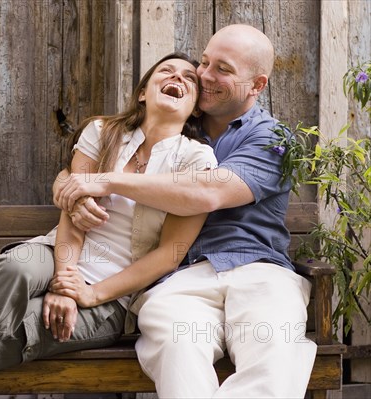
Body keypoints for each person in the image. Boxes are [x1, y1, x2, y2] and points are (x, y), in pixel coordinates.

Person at [0, 53, 217, 399]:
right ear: (143, 92)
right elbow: (72, 210)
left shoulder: (196, 161)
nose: (177, 79)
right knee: (15, 267)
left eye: (188, 78)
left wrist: (87, 293)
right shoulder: (104, 132)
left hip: (110, 298)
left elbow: (169, 255)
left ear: (197, 107)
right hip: (57, 254)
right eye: (166, 71)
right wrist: (65, 282)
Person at [54, 24, 317, 398]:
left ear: (257, 85)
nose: (204, 75)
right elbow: (89, 162)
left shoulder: (272, 139)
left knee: (275, 348)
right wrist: (70, 187)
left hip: (259, 270)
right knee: (174, 341)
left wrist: (104, 182)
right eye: (205, 62)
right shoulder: (171, 120)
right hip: (181, 275)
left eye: (222, 69)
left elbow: (205, 192)